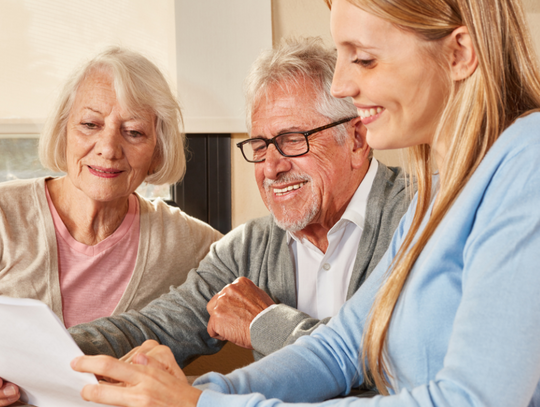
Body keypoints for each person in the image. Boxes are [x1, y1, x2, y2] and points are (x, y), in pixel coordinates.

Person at [69, 0, 540, 405]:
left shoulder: (527, 159)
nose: (343, 86)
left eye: (365, 60)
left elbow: (470, 399)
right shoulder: (439, 196)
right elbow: (339, 349)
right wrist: (200, 394)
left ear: (459, 53)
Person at [61, 37, 410, 369]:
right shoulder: (249, 248)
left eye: (291, 139)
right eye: (260, 145)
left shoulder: (425, 214)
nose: (271, 167)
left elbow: (398, 361)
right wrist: (39, 353)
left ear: (357, 140)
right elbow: (153, 329)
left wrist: (265, 323)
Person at [0, 48, 221, 405]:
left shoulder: (191, 243)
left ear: (158, 149)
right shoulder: (5, 215)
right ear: (64, 131)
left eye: (133, 132)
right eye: (90, 125)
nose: (108, 148)